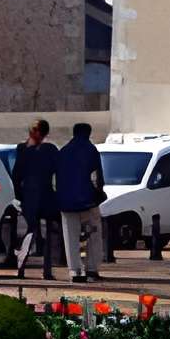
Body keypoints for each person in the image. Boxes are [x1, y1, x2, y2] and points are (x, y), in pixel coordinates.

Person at [6, 120, 60, 278]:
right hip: (42, 194)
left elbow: (16, 174)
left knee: (33, 229)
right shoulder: (48, 149)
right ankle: (42, 269)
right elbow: (57, 171)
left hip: (32, 195)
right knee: (42, 230)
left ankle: (26, 263)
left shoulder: (25, 149)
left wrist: (19, 196)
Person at [54, 121, 105, 282]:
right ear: (88, 133)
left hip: (67, 202)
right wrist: (98, 194)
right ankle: (91, 268)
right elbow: (97, 177)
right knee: (93, 234)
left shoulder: (64, 151)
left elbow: (56, 178)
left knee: (70, 236)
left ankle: (75, 271)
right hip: (88, 201)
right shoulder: (91, 150)